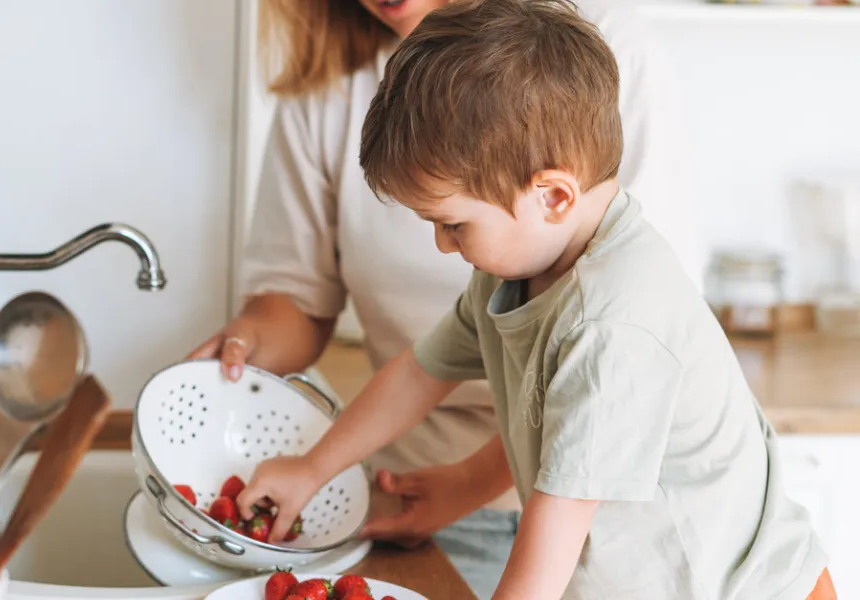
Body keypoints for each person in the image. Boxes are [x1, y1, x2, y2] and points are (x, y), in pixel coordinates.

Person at [233, 1, 832, 598]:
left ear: (552, 197)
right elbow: (419, 373)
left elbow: (551, 542)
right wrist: (312, 468)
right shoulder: (518, 267)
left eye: (452, 224)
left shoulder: (612, 324)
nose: (443, 245)